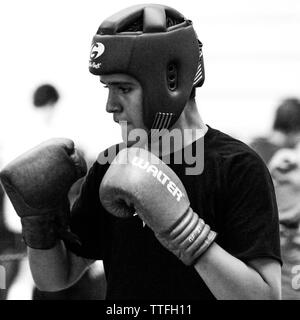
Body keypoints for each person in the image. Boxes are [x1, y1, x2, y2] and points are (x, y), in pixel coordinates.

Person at [0, 4, 281, 300]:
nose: (110, 105)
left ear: (170, 82)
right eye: (107, 88)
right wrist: (38, 221)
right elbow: (56, 278)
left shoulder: (237, 167)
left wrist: (185, 233)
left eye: (123, 88)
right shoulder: (111, 165)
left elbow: (265, 296)